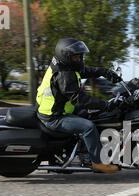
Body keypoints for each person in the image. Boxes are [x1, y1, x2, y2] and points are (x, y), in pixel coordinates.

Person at [36, 38, 122, 174]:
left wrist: (104, 72)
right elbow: (80, 98)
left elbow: (84, 71)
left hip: (60, 109)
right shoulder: (64, 75)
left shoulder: (64, 66)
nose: (80, 59)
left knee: (91, 114)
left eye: (81, 56)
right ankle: (98, 162)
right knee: (88, 126)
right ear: (66, 56)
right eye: (77, 56)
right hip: (54, 117)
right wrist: (106, 105)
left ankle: (69, 155)